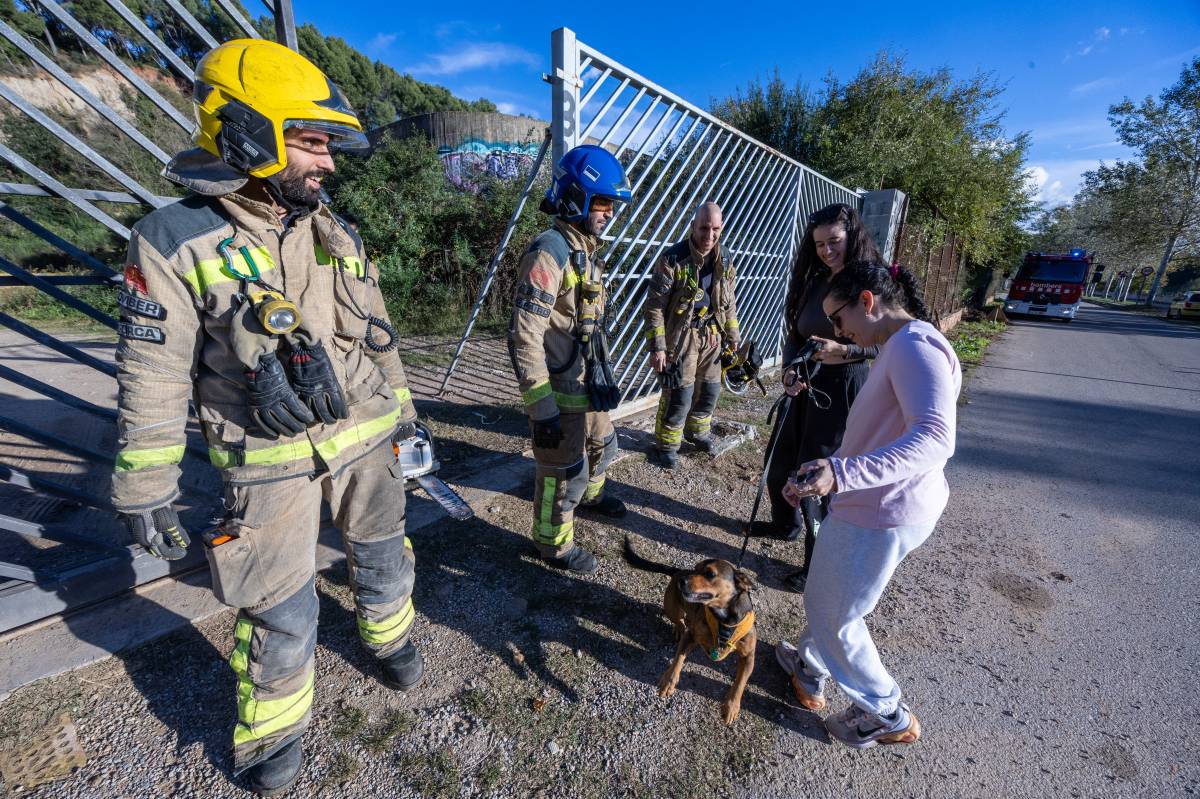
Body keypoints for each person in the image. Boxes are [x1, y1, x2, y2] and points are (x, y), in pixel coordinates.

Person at [110, 39, 422, 795]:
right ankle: (272, 734)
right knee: (277, 602)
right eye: (311, 143)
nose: (329, 163)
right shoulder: (173, 240)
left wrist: (407, 421)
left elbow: (378, 338)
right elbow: (150, 371)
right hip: (265, 461)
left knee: (383, 553)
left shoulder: (335, 232)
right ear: (251, 135)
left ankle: (390, 638)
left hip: (367, 443)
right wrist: (144, 485)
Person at [774, 260, 961, 750]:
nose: (839, 333)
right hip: (875, 503)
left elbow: (936, 438)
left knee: (834, 611)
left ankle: (885, 711)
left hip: (882, 512)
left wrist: (842, 474)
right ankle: (809, 665)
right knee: (833, 595)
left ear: (867, 302)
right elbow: (882, 432)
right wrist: (830, 468)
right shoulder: (899, 345)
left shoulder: (915, 348)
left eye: (840, 319)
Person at [507, 144, 632, 573]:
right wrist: (541, 410)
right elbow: (524, 335)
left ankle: (590, 500)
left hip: (587, 381)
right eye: (601, 202)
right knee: (563, 472)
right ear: (575, 197)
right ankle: (553, 544)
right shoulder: (550, 251)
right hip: (559, 390)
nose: (608, 213)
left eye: (611, 205)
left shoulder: (585, 248)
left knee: (605, 444)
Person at [759, 203, 884, 592]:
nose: (827, 251)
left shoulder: (871, 283)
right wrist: (789, 369)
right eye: (819, 244)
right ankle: (785, 525)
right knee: (780, 462)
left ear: (853, 238)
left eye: (834, 242)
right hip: (804, 384)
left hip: (842, 388)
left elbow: (884, 345)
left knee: (817, 476)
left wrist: (844, 351)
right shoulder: (813, 279)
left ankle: (818, 564)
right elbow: (795, 332)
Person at [643, 202, 739, 468]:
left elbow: (729, 302)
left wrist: (732, 335)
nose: (709, 236)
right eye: (704, 228)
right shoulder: (673, 259)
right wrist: (658, 347)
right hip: (681, 338)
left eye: (716, 229)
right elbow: (654, 306)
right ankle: (666, 445)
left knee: (709, 391)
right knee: (679, 395)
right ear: (692, 227)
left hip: (712, 336)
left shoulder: (725, 259)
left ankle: (697, 433)